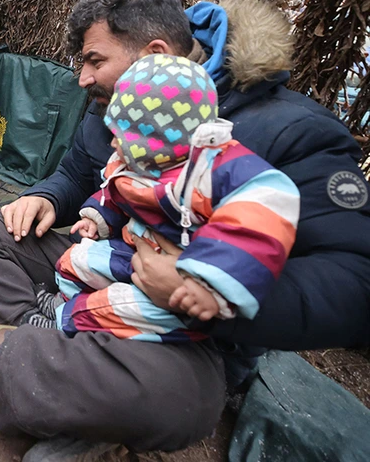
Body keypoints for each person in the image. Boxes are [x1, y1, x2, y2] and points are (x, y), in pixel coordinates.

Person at [0, 0, 370, 454]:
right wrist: (45, 198)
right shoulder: (111, 105)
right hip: (103, 262)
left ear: (153, 54)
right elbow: (77, 173)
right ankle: (64, 372)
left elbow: (353, 279)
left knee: (179, 402)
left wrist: (201, 290)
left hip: (187, 332)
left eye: (93, 61)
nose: (82, 78)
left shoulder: (291, 131)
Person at [30, 54, 299, 343]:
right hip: (136, 252)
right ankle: (65, 302)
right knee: (76, 260)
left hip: (186, 283)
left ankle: (64, 323)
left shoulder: (213, 171)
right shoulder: (144, 162)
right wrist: (97, 216)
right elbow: (116, 188)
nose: (112, 143)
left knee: (120, 305)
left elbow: (260, 217)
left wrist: (211, 282)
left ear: (154, 138)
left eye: (122, 137)